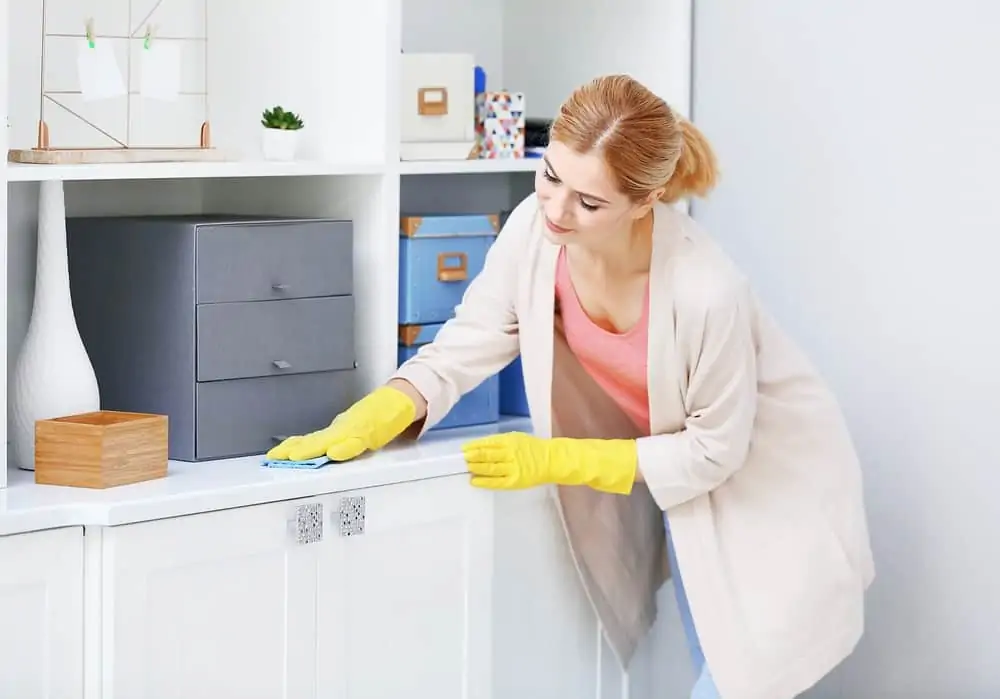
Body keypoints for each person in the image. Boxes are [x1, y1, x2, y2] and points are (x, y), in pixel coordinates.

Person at [268, 74, 875, 699]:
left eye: (589, 203)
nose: (557, 210)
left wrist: (557, 458)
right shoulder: (536, 228)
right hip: (687, 476)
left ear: (647, 200)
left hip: (770, 478)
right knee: (717, 656)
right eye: (551, 175)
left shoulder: (704, 289)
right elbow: (472, 338)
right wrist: (372, 417)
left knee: (742, 674)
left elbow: (715, 450)